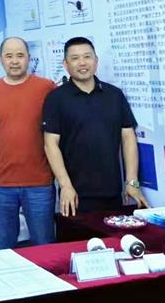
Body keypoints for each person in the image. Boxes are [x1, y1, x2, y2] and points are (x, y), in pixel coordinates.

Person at [43, 36, 149, 215]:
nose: (82, 63)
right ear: (66, 64)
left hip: (113, 192)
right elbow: (50, 144)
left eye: (87, 56)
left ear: (96, 60)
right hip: (75, 196)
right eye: (75, 58)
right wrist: (65, 185)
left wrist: (132, 182)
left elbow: (128, 137)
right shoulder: (56, 99)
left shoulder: (114, 95)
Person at [0, 37, 56, 248]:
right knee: (3, 247)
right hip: (1, 183)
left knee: (44, 245)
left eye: (20, 55)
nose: (14, 61)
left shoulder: (47, 88)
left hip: (39, 182)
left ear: (29, 58)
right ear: (0, 59)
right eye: (9, 56)